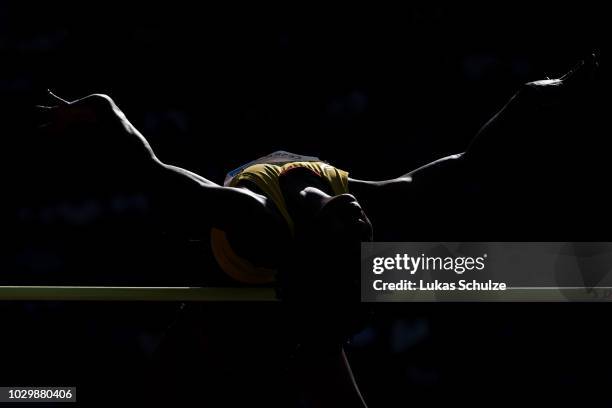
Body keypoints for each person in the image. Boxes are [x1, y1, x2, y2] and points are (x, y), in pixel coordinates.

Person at [33, 52, 600, 407]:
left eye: (357, 233)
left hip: (278, 285)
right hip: (240, 284)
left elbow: (470, 162)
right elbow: (152, 173)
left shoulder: (309, 213)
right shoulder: (276, 213)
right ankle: (38, 395)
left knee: (310, 347)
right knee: (169, 384)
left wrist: (556, 90)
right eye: (359, 235)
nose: (362, 223)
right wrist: (97, 112)